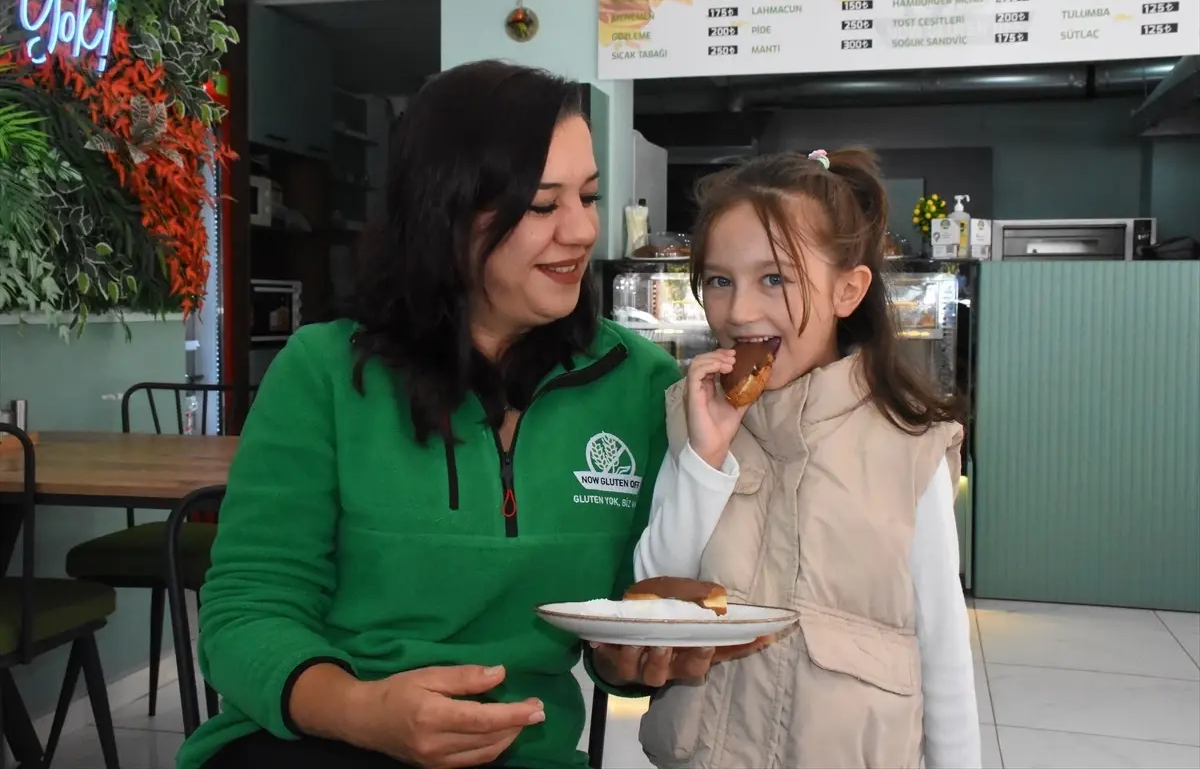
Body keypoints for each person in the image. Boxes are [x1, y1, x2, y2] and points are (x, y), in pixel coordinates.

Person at [175, 60, 727, 769]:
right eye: (541, 205)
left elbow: (618, 628)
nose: (582, 230)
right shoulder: (323, 373)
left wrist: (642, 656)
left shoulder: (641, 386)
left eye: (588, 197)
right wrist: (362, 711)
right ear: (447, 209)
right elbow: (247, 611)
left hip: (521, 752)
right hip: (317, 739)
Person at [632, 148, 982, 769]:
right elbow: (653, 596)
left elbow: (942, 648)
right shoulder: (694, 418)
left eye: (775, 278)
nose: (739, 312)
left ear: (847, 289)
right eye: (719, 280)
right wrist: (705, 460)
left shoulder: (908, 446)